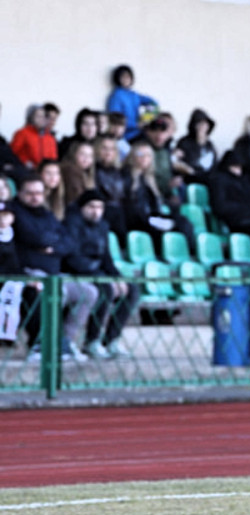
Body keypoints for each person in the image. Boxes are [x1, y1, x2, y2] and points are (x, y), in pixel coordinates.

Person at [10, 176, 98, 362]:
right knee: (49, 292)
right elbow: (35, 237)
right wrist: (52, 241)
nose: (35, 197)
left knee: (89, 292)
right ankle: (40, 344)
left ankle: (66, 341)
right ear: (20, 194)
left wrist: (53, 246)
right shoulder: (15, 212)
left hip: (54, 274)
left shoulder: (47, 214)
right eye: (30, 193)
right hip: (28, 273)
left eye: (39, 193)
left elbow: (69, 243)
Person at [62, 190, 138, 360]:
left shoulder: (102, 226)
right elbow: (72, 257)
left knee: (132, 290)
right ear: (82, 207)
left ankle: (112, 339)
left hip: (97, 271)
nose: (96, 211)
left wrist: (117, 278)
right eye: (91, 207)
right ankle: (92, 341)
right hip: (77, 271)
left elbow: (106, 258)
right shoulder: (71, 224)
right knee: (106, 289)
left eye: (100, 207)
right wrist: (101, 275)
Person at [105, 65, 158, 142]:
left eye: (128, 77)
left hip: (139, 132)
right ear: (117, 78)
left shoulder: (134, 94)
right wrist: (135, 125)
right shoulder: (116, 96)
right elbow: (115, 119)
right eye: (123, 77)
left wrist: (146, 118)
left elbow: (153, 103)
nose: (126, 79)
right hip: (125, 137)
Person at [173, 108, 218, 182]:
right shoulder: (184, 142)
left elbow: (214, 165)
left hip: (208, 179)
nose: (201, 127)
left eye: (204, 124)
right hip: (190, 178)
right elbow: (177, 163)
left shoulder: (210, 145)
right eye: (198, 124)